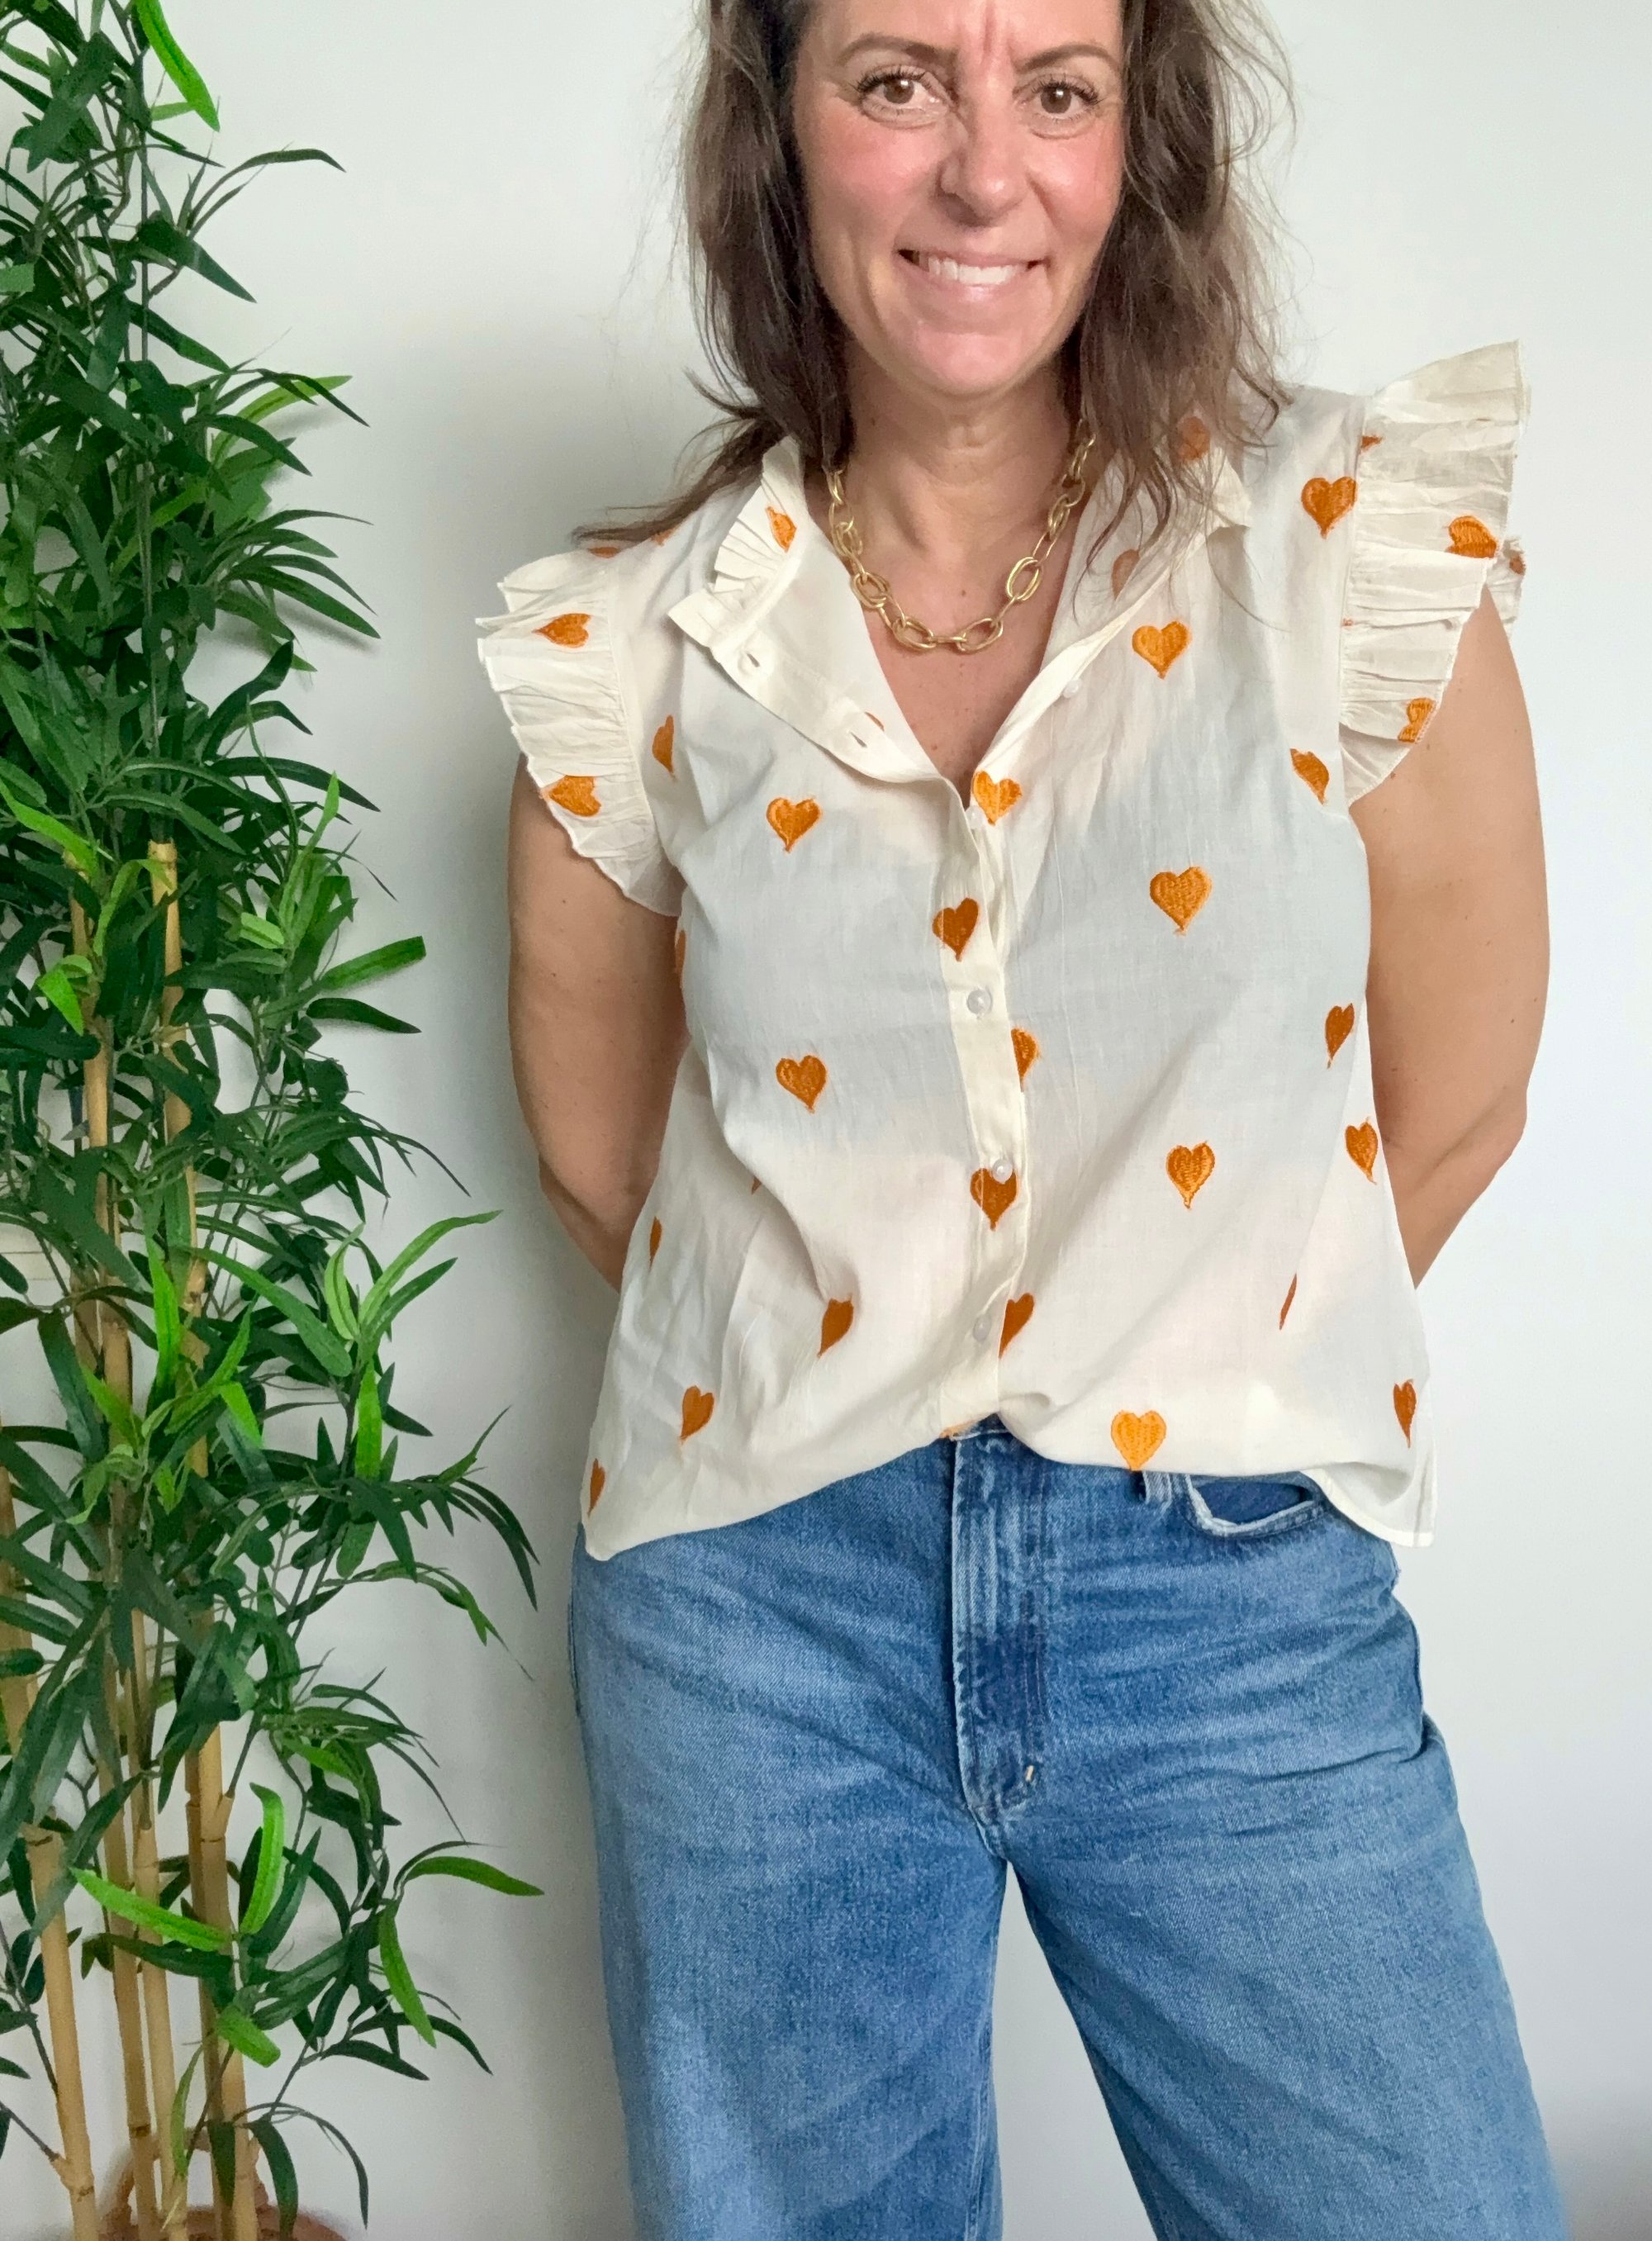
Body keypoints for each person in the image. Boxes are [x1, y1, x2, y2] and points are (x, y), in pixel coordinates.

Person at [475, 0, 1564, 2234]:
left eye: (1056, 89)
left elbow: (1459, 1094)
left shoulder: (1338, 547)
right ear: (780, 129)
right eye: (899, 81)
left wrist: (1203, 1346)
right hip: (756, 1615)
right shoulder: (639, 643)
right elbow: (607, 1163)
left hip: (1230, 1595)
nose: (986, 173)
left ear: (1131, 141)